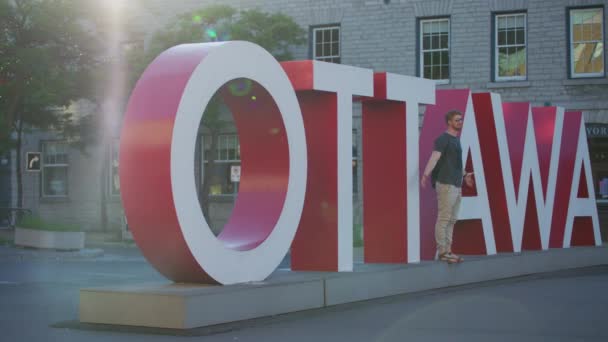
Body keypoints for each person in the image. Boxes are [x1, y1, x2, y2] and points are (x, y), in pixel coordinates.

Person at [421, 110, 474, 264]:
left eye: (461, 119)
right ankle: (443, 252)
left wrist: (465, 175)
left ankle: (448, 251)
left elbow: (456, 164)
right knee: (444, 218)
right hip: (445, 184)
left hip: (456, 185)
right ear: (449, 122)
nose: (460, 122)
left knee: (452, 219)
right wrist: (425, 174)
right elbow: (435, 157)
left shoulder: (456, 140)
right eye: (457, 120)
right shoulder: (443, 139)